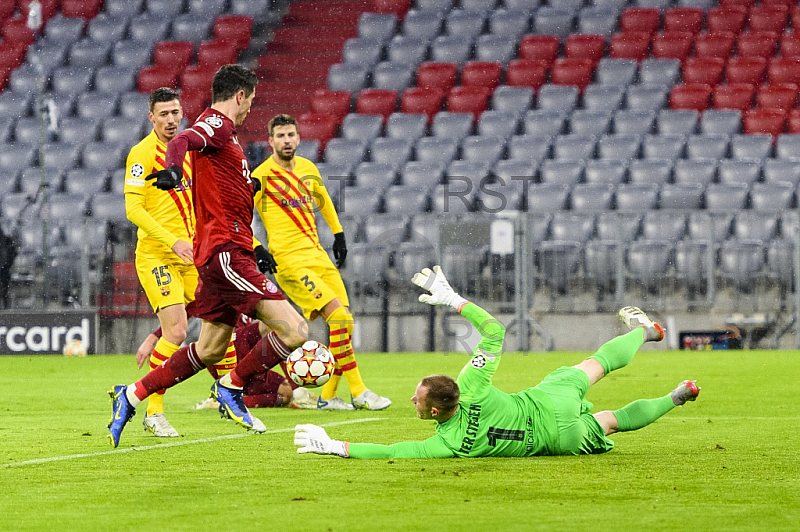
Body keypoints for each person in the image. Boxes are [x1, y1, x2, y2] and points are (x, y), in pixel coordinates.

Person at [294, 266, 701, 459]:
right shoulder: (471, 385)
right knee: (596, 364)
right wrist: (453, 299)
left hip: (559, 442)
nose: (411, 400)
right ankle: (646, 332)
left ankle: (677, 396)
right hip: (547, 402)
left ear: (436, 411)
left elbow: (392, 451)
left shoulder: (448, 443)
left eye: (416, 400)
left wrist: (333, 446)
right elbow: (494, 333)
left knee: (615, 421)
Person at [107, 64, 309, 448]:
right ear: (239, 95)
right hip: (222, 253)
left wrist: (255, 238)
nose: (250, 107)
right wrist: (169, 169)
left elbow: (224, 197)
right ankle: (231, 388)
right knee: (295, 330)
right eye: (250, 99)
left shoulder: (228, 138)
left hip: (223, 250)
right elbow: (183, 140)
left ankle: (131, 395)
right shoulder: (215, 124)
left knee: (210, 347)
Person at [250, 114, 390, 411]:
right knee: (339, 318)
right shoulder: (259, 176)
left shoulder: (308, 168)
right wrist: (256, 246)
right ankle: (360, 391)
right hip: (289, 263)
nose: (286, 140)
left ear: (299, 138)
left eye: (291, 135)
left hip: (318, 255)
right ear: (271, 141)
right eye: (281, 136)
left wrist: (339, 234)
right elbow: (235, 215)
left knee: (345, 325)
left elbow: (323, 199)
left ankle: (327, 397)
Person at [123, 87, 195, 438]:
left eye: (175, 112)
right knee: (178, 332)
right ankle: (152, 410)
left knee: (221, 319)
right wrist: (173, 240)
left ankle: (228, 392)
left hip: (191, 253)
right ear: (151, 117)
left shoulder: (188, 149)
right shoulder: (141, 154)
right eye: (163, 114)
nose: (171, 119)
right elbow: (132, 209)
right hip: (158, 255)